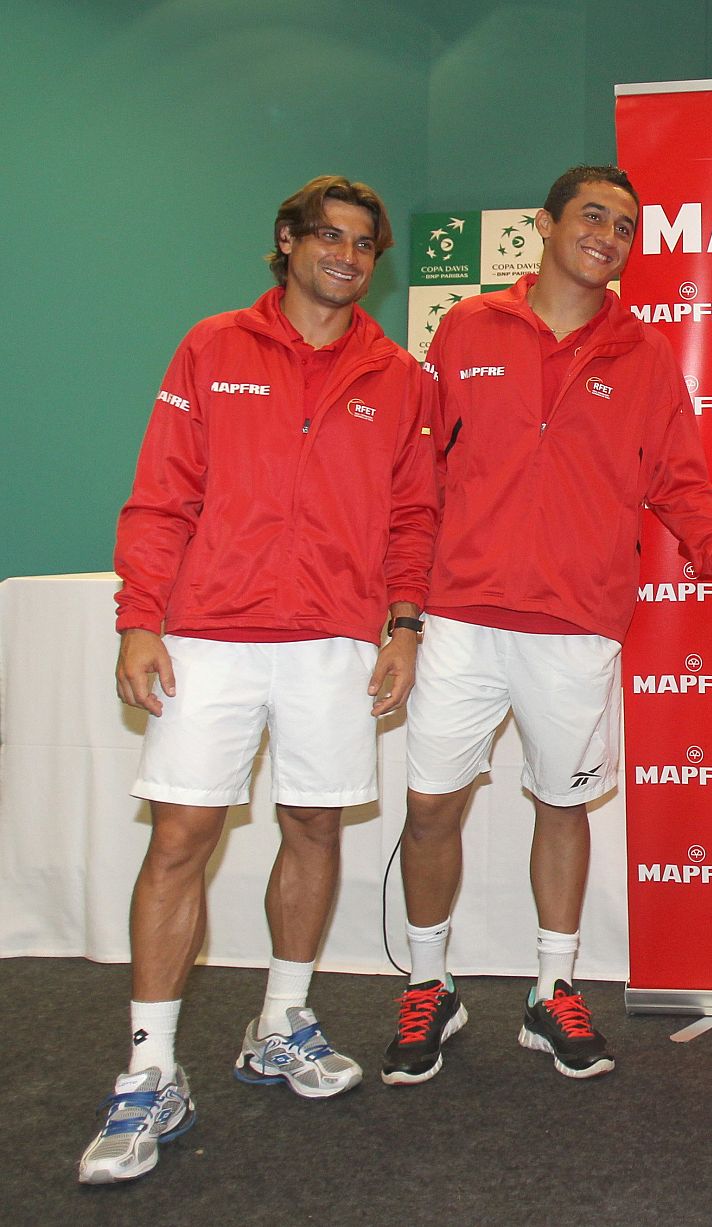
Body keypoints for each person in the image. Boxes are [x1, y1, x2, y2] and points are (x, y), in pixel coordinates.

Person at [82, 176, 438, 1184]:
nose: (347, 255)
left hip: (333, 640)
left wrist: (403, 626)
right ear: (286, 243)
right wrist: (138, 620)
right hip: (213, 635)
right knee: (183, 837)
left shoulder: (399, 375)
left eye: (365, 243)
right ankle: (149, 1071)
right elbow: (161, 494)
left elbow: (415, 516)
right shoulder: (211, 347)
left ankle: (281, 1021)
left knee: (315, 825)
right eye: (328, 236)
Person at [383, 165, 712, 1086]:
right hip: (462, 616)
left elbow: (679, 486)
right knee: (432, 807)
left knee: (563, 803)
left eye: (626, 226)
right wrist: (403, 606)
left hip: (577, 624)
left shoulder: (644, 355)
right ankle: (430, 982)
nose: (610, 235)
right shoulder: (466, 327)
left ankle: (553, 989)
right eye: (593, 216)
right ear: (544, 226)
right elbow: (417, 475)